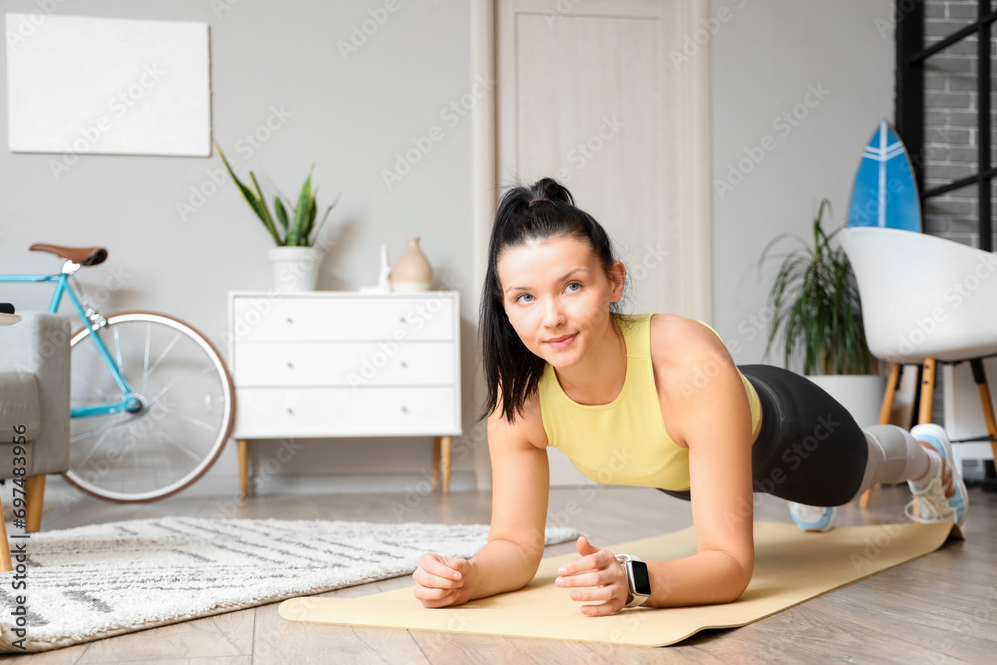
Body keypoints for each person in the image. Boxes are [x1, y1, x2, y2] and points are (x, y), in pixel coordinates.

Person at [412, 177, 968, 616]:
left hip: (787, 431)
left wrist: (635, 581)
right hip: (691, 459)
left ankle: (927, 454)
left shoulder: (686, 363)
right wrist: (468, 577)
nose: (551, 317)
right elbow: (514, 543)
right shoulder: (519, 394)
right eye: (525, 297)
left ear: (615, 281)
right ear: (504, 306)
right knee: (748, 485)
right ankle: (806, 495)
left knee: (858, 471)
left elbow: (730, 566)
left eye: (573, 286)